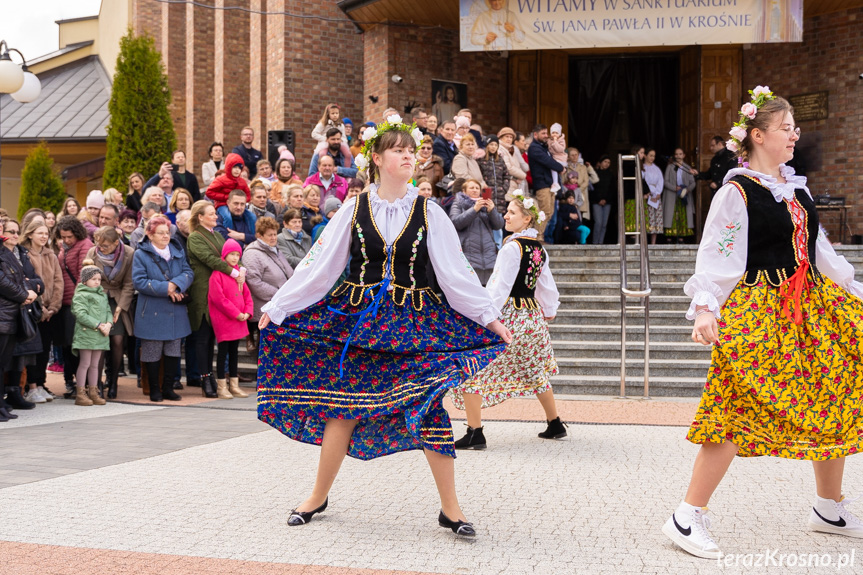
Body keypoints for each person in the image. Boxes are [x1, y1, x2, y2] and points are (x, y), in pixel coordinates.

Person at [256, 117, 511, 536]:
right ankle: (317, 496)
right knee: (343, 411)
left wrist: (489, 317)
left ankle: (452, 509)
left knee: (430, 407)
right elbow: (320, 267)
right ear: (376, 158)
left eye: (412, 149)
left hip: (414, 324)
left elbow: (455, 274)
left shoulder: (429, 210)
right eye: (398, 149)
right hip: (359, 321)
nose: (409, 154)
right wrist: (280, 306)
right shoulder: (353, 209)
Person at [663, 88, 863, 559]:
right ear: (757, 135)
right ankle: (687, 514)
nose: (795, 135)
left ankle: (828, 508)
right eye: (785, 128)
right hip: (761, 308)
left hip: (812, 306)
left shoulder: (797, 188)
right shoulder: (737, 192)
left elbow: (821, 252)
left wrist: (855, 291)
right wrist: (707, 307)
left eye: (794, 127)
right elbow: (717, 254)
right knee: (735, 405)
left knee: (833, 391)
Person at [453, 192, 563, 449]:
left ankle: (475, 431)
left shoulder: (512, 247)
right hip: (532, 317)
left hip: (511, 316)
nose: (506, 216)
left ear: (526, 220)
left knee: (473, 369)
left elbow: (498, 287)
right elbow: (546, 285)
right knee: (534, 370)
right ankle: (555, 422)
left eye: (512, 213)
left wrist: (484, 315)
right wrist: (549, 308)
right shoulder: (538, 249)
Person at [132, 216, 193, 403]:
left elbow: (188, 272)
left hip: (175, 309)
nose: (166, 236)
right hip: (152, 309)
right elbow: (139, 281)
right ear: (150, 235)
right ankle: (154, 389)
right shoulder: (141, 254)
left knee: (173, 350)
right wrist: (166, 288)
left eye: (167, 232)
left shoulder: (177, 249)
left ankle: (168, 388)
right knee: (152, 351)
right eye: (161, 233)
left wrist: (176, 284)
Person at [187, 200, 242, 397]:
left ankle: (214, 378)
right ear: (200, 217)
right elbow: (211, 259)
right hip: (202, 292)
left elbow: (231, 253)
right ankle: (205, 378)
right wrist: (233, 272)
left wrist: (240, 268)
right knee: (203, 338)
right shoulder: (195, 238)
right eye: (211, 214)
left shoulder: (218, 235)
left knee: (212, 337)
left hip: (220, 291)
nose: (215, 216)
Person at [85, 227, 135, 400]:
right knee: (99, 341)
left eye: (105, 246)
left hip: (117, 299)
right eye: (99, 245)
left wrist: (121, 306)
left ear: (116, 243)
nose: (101, 248)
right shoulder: (92, 252)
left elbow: (129, 283)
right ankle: (96, 384)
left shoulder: (129, 253)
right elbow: (85, 278)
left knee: (117, 339)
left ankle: (113, 381)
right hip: (97, 299)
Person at [2, 219, 44, 411]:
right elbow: (6, 282)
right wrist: (24, 293)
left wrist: (30, 288)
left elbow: (34, 279)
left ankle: (12, 394)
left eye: (16, 232)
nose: (14, 235)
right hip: (9, 309)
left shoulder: (20, 253)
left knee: (16, 356)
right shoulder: (4, 253)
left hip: (20, 312)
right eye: (9, 231)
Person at [20, 221, 63, 402]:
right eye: (40, 233)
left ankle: (40, 383)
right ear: (30, 234)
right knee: (33, 350)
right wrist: (42, 307)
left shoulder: (51, 254)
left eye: (46, 233)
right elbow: (27, 282)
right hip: (34, 310)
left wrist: (53, 307)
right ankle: (31, 386)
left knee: (45, 349)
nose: (44, 236)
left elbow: (58, 281)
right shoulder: (24, 254)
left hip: (50, 312)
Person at [207, 239, 253, 400]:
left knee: (234, 352)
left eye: (237, 254)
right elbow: (219, 299)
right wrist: (237, 313)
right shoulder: (218, 274)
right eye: (231, 254)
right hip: (225, 319)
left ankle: (234, 385)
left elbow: (247, 294)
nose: (234, 258)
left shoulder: (238, 273)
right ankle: (222, 386)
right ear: (224, 255)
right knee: (223, 352)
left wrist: (247, 311)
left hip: (239, 318)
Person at [57, 216, 94, 398]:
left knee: (76, 345)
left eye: (69, 236)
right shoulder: (66, 247)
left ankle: (83, 384)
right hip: (64, 303)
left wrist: (78, 302)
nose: (66, 240)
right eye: (63, 237)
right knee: (67, 345)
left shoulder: (84, 245)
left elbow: (83, 274)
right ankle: (70, 381)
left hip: (76, 303)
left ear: (76, 233)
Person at [244, 217, 293, 353]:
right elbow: (254, 282)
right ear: (260, 236)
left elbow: (289, 272)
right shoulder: (252, 253)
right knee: (264, 348)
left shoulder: (275, 249)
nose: (273, 237)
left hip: (279, 306)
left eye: (274, 234)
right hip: (265, 308)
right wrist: (279, 295)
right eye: (269, 235)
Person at [70, 261, 111, 406]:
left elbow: (107, 311)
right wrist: (98, 324)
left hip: (100, 334)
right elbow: (80, 314)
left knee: (95, 364)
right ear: (85, 280)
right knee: (85, 363)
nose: (97, 282)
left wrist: (109, 324)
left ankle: (93, 391)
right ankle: (80, 393)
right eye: (93, 279)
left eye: (99, 279)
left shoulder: (102, 295)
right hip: (86, 334)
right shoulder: (81, 295)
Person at [449, 179, 503, 286]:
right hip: (468, 255)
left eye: (477, 188)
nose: (475, 190)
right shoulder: (458, 203)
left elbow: (499, 225)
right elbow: (456, 223)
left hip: (489, 257)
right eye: (471, 187)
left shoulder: (486, 204)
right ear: (464, 191)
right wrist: (474, 209)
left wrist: (492, 211)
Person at [527, 124, 564, 238]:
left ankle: (538, 235)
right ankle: (536, 237)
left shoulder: (544, 147)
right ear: (535, 134)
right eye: (543, 133)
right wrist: (561, 168)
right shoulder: (534, 147)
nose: (546, 136)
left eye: (546, 133)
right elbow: (547, 161)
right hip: (542, 184)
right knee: (543, 212)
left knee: (549, 213)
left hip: (549, 184)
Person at [477, 135, 511, 246]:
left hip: (500, 198)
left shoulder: (500, 160)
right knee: (486, 222)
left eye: (496, 145)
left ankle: (498, 247)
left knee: (498, 224)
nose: (493, 147)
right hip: (487, 196)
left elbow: (507, 175)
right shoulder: (481, 160)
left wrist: (504, 188)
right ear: (486, 145)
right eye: (491, 144)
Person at [663, 147, 697, 241]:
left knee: (683, 214)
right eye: (676, 154)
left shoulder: (688, 168)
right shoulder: (670, 167)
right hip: (672, 194)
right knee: (672, 214)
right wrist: (674, 188)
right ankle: (670, 236)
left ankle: (682, 236)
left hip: (684, 194)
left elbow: (693, 183)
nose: (678, 156)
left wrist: (687, 189)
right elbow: (665, 182)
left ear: (684, 155)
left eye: (680, 154)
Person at [695, 135, 738, 199]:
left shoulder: (730, 156)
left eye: (713, 145)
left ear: (720, 144)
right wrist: (697, 174)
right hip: (716, 192)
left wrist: (718, 183)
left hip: (727, 191)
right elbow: (710, 174)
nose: (711, 148)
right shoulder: (715, 159)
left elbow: (732, 173)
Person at [623, 145, 647, 236]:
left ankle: (637, 235)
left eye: (643, 153)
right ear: (635, 152)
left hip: (638, 194)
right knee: (633, 215)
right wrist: (644, 191)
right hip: (633, 194)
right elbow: (636, 181)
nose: (643, 155)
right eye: (641, 152)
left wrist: (646, 191)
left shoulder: (639, 163)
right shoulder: (631, 163)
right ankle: (633, 235)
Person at [642, 148, 664, 244]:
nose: (652, 158)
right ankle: (643, 241)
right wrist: (647, 192)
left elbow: (660, 180)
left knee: (655, 219)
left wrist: (658, 193)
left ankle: (653, 243)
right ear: (645, 155)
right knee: (646, 218)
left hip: (656, 196)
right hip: (646, 196)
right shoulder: (642, 168)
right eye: (650, 155)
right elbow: (642, 181)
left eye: (654, 156)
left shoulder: (657, 169)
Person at [590, 156, 614, 244]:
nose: (607, 164)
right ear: (600, 162)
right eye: (605, 161)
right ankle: (595, 243)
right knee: (598, 223)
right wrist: (599, 199)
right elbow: (592, 189)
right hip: (596, 202)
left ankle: (601, 243)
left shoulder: (611, 175)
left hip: (607, 202)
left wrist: (606, 199)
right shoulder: (595, 173)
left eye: (608, 162)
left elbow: (612, 189)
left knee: (604, 224)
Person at [497, 127, 528, 195]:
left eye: (511, 137)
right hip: (507, 184)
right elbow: (509, 168)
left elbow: (517, 166)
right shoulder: (500, 149)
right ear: (501, 137)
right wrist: (523, 175)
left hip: (513, 184)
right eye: (506, 136)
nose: (509, 139)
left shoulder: (510, 149)